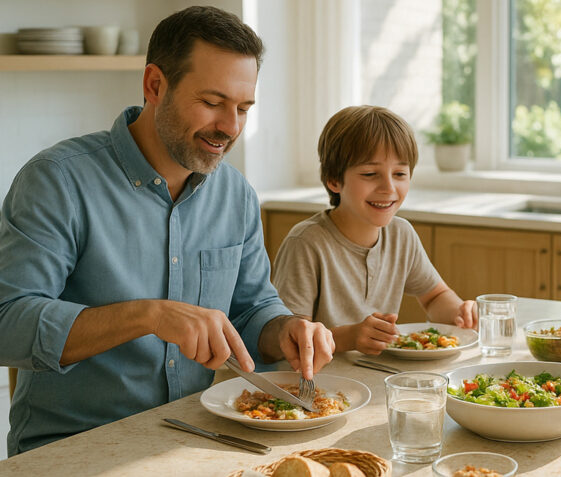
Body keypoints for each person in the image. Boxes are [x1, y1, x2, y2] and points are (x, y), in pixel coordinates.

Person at [0, 6, 334, 455]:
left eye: (242, 108)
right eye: (212, 103)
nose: (230, 128)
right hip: (72, 449)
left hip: (194, 439)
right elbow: (8, 323)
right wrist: (149, 315)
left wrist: (287, 329)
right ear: (155, 84)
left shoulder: (235, 194)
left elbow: (252, 309)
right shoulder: (57, 180)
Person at [270, 105, 477, 356]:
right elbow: (290, 339)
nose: (388, 188)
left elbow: (434, 296)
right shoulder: (306, 243)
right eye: (370, 174)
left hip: (378, 375)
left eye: (400, 173)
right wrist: (350, 337)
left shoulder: (402, 234)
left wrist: (459, 313)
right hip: (321, 384)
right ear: (334, 180)